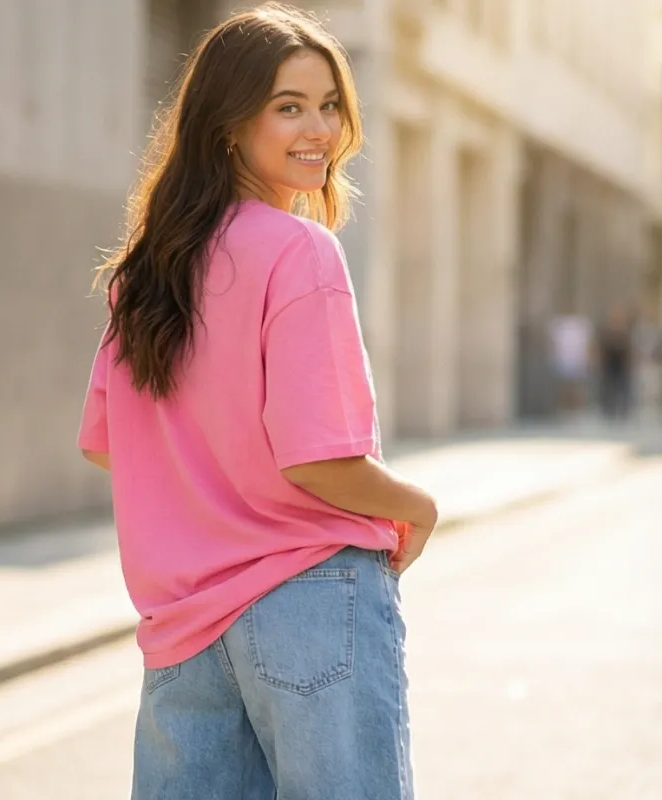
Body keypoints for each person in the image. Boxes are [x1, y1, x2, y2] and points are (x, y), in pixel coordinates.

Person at [78, 5, 438, 798]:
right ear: (229, 124)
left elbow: (110, 443)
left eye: (331, 104)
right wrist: (417, 503)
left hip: (181, 623)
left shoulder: (144, 273)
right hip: (309, 596)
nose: (320, 128)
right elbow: (320, 460)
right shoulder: (300, 249)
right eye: (288, 106)